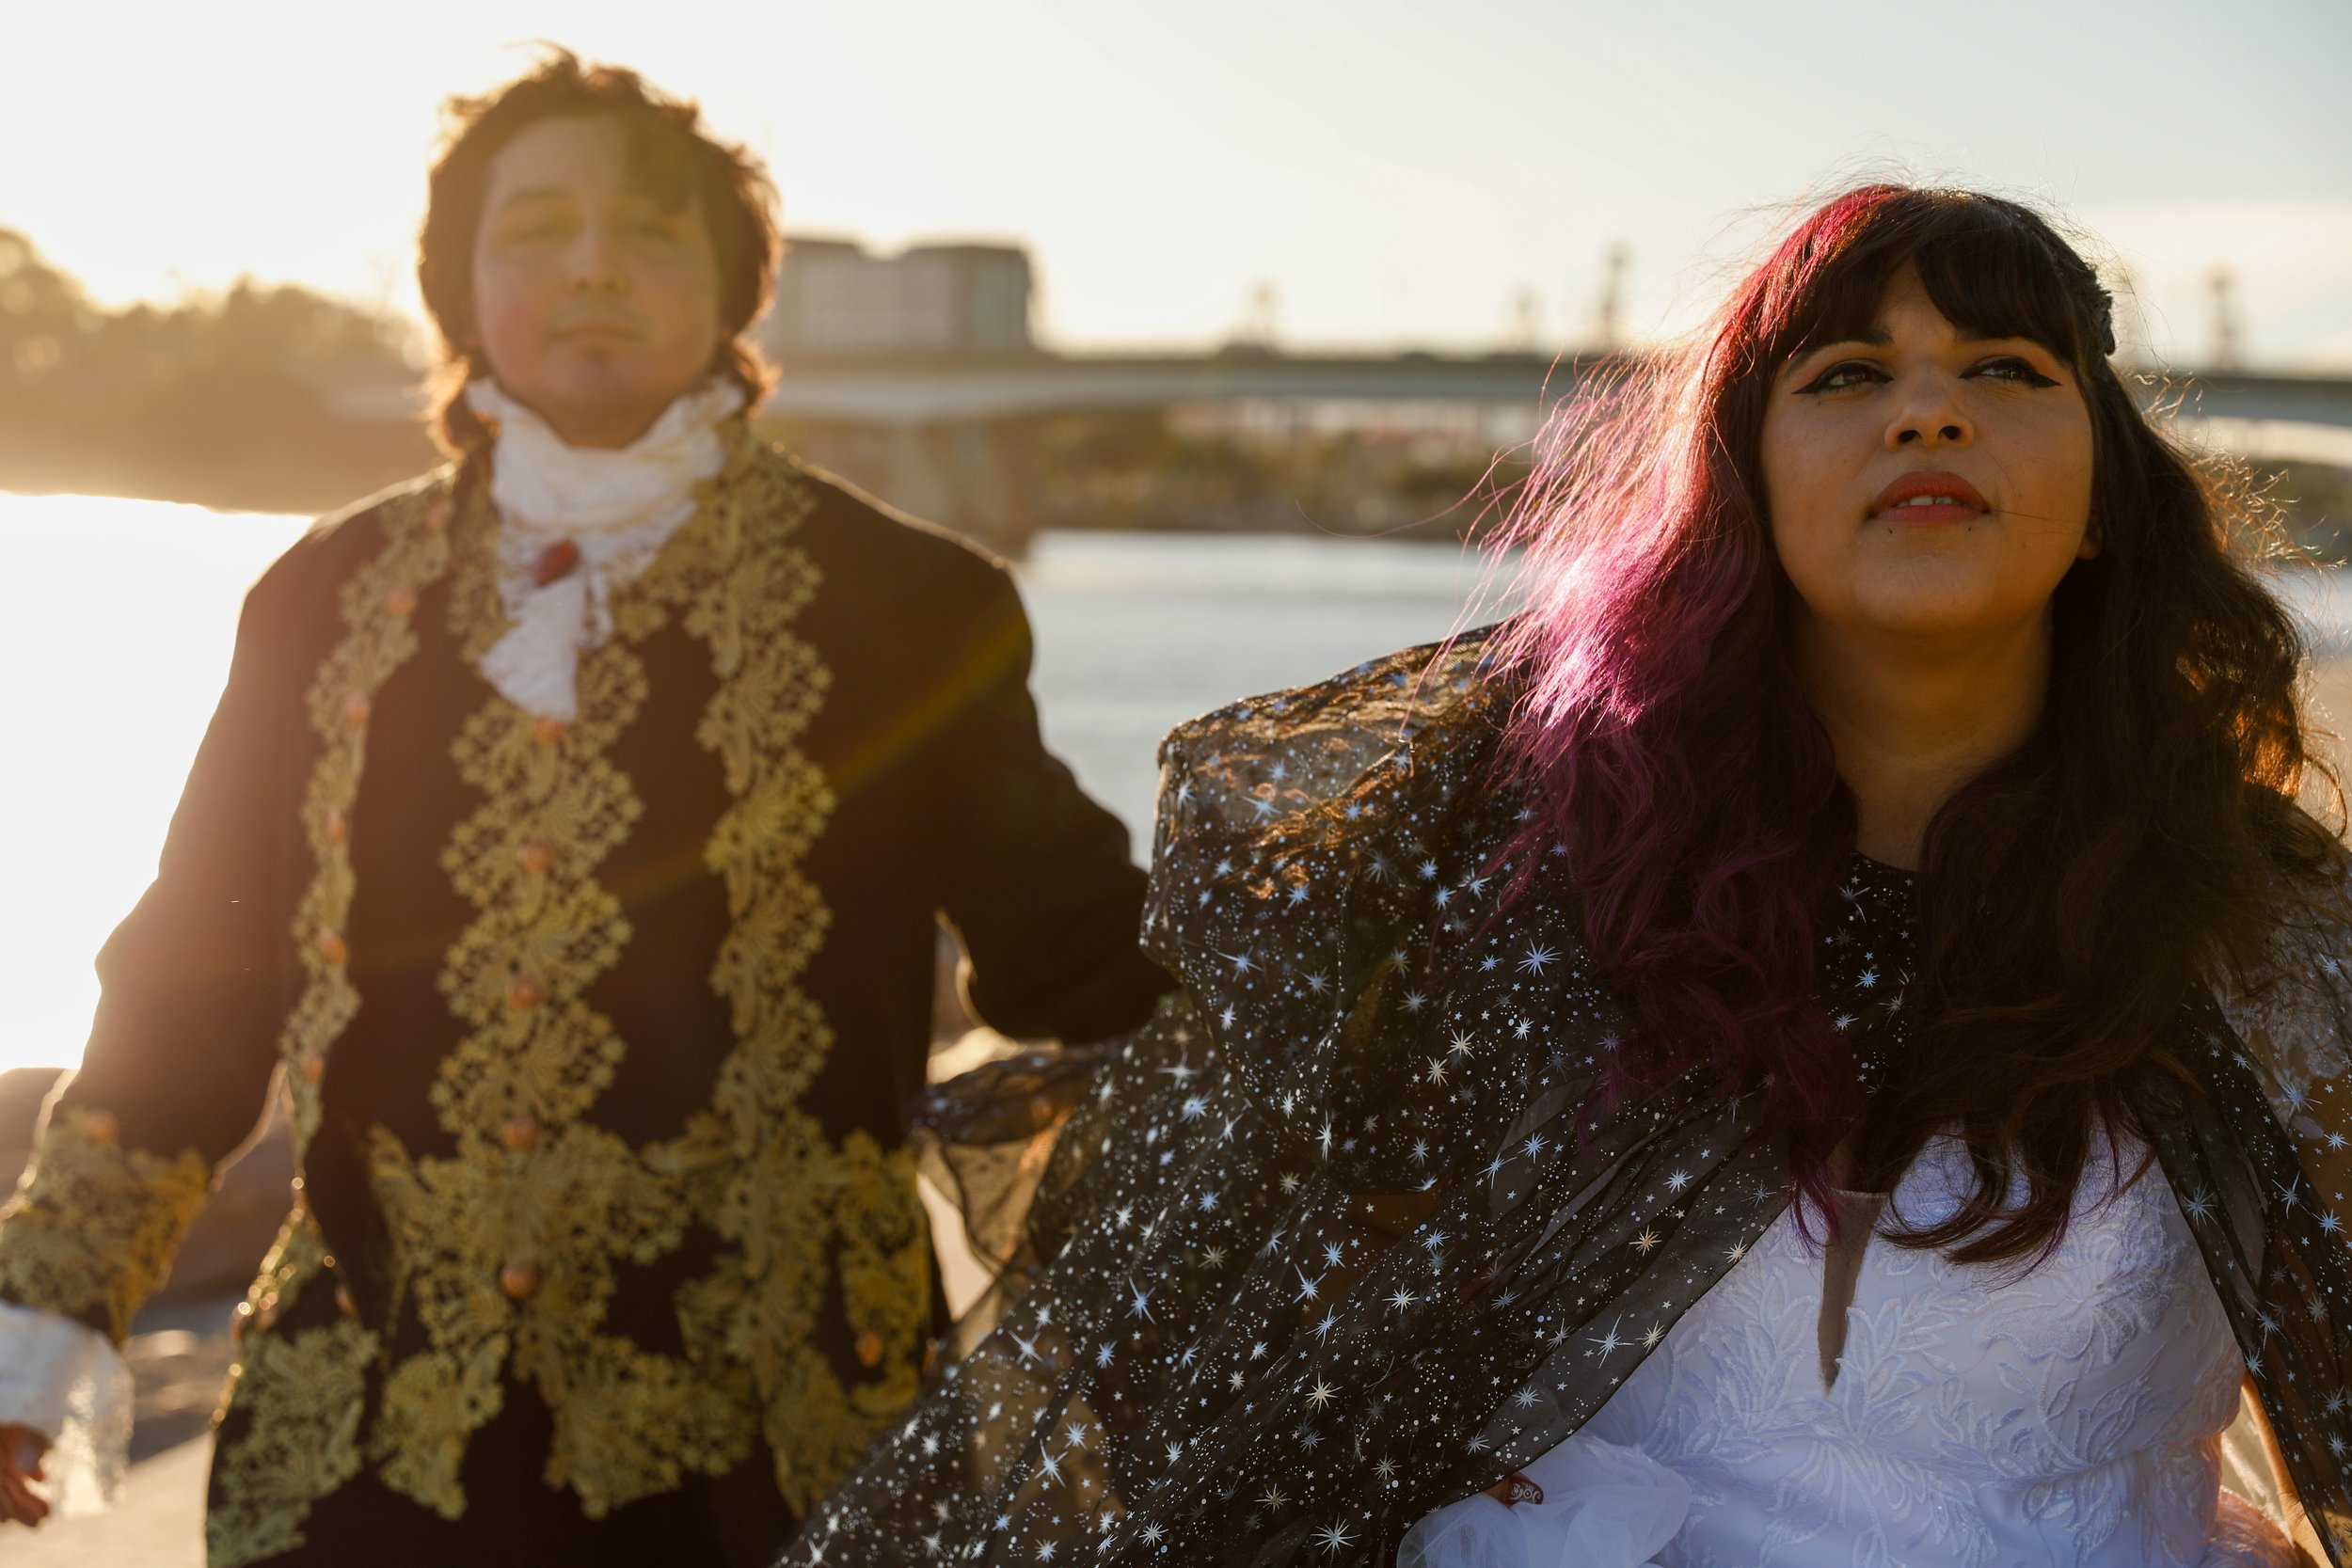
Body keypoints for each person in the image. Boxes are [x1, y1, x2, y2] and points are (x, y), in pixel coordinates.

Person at [779, 185, 2350, 1567]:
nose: (1927, 416)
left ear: (2106, 500)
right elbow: (1204, 1357)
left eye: (2005, 373)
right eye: (1849, 374)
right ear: (1743, 485)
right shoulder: (1515, 880)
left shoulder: (2273, 945)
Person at [0, 49, 1168, 1567]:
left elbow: (1077, 953)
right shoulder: (321, 598)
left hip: (790, 1456)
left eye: (651, 231)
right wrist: (46, 1323)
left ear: (736, 290)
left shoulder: (913, 608)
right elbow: (193, 985)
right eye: (534, 229)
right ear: (459, 286)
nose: (593, 267)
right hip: (367, 1449)